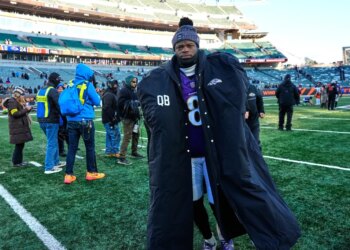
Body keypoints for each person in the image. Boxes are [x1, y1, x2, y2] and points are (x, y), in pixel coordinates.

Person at [138, 17, 300, 249]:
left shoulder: (219, 67)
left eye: (189, 45)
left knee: (220, 201)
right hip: (187, 156)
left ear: (197, 46)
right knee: (192, 202)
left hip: (214, 153)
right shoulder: (162, 78)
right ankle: (208, 237)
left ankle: (225, 236)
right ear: (174, 49)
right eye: (180, 46)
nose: (184, 50)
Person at [63, 63, 105, 184]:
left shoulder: (70, 84)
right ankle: (91, 172)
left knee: (72, 148)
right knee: (90, 147)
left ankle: (68, 175)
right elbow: (97, 101)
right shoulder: (87, 84)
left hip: (71, 120)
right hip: (85, 120)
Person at [37, 72, 66, 174]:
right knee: (52, 143)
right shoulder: (52, 91)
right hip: (51, 120)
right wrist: (65, 120)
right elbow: (59, 107)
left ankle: (56, 162)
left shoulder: (41, 89)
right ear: (55, 80)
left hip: (41, 120)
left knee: (53, 141)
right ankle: (49, 167)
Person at [2, 87, 33, 167]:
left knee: (20, 144)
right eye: (22, 94)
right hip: (17, 126)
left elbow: (20, 112)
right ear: (18, 95)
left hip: (19, 126)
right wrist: (26, 109)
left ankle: (18, 161)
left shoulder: (15, 101)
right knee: (19, 145)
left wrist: (28, 109)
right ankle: (16, 162)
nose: (24, 96)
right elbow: (15, 114)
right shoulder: (12, 102)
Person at [116, 75, 143, 165]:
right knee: (127, 137)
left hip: (134, 117)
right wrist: (132, 103)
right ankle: (121, 157)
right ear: (128, 81)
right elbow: (120, 104)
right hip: (127, 118)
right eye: (133, 81)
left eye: (136, 82)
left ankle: (134, 152)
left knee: (136, 135)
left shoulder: (133, 91)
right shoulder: (123, 91)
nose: (135, 83)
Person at [102, 79, 121, 158]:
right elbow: (107, 108)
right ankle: (115, 151)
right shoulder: (109, 94)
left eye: (116, 84)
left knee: (110, 135)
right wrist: (113, 119)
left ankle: (109, 151)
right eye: (114, 84)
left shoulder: (110, 93)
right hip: (110, 119)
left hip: (108, 119)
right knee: (115, 135)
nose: (116, 86)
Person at [57, 83, 69, 157]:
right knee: (60, 136)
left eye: (62, 88)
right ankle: (61, 150)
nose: (60, 89)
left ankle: (70, 147)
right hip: (60, 118)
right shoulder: (56, 96)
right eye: (59, 88)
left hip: (64, 118)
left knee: (67, 134)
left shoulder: (63, 95)